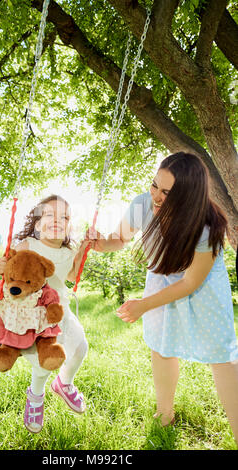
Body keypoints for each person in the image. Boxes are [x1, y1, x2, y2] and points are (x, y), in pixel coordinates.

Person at [86, 152, 238, 445]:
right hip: (162, 280)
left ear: (187, 195)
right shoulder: (143, 204)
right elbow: (118, 239)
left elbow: (191, 282)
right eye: (155, 185)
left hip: (203, 289)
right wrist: (98, 243)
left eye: (167, 192)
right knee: (162, 347)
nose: (156, 195)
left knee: (222, 356)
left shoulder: (205, 226)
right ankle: (164, 414)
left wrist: (143, 305)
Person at [0, 195, 89, 434]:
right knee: (44, 362)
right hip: (30, 313)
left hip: (60, 309)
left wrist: (83, 251)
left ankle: (64, 384)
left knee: (80, 348)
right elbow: (10, 270)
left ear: (69, 226)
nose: (58, 220)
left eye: (65, 217)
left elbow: (71, 276)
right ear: (37, 224)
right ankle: (36, 396)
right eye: (49, 215)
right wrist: (1, 267)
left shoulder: (70, 249)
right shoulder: (28, 244)